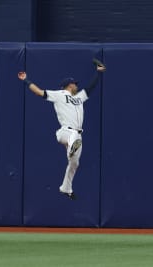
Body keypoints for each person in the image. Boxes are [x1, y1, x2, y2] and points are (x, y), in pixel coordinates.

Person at [18, 63, 106, 200]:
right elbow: (38, 92)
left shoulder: (79, 97)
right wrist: (26, 80)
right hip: (65, 132)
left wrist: (99, 73)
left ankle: (66, 188)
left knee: (75, 163)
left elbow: (90, 88)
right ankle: (72, 148)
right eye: (75, 84)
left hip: (77, 134)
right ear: (70, 85)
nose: (77, 86)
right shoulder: (59, 94)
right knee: (75, 138)